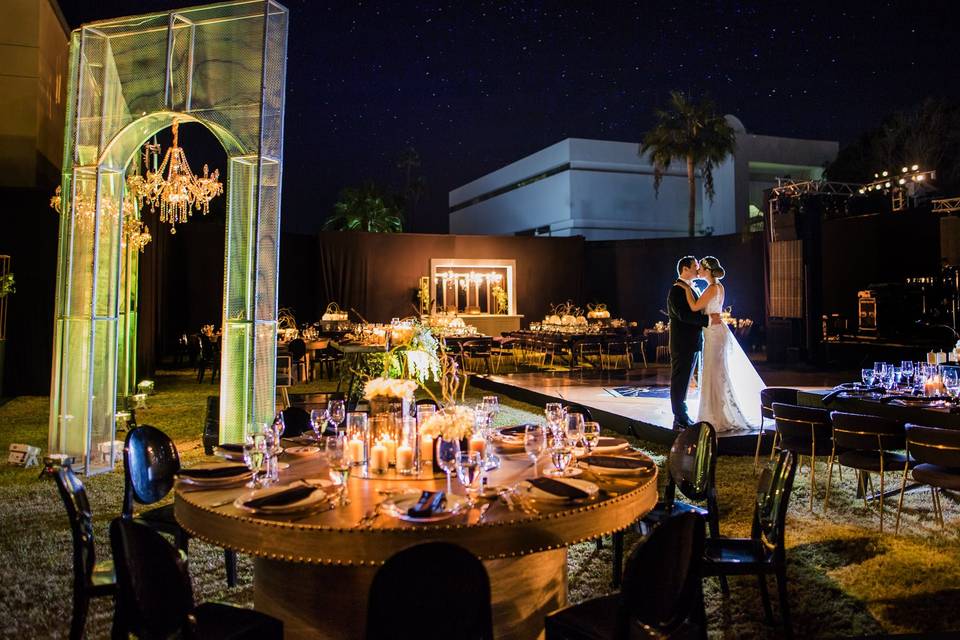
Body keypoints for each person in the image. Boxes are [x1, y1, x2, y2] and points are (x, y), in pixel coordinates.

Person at [681, 256, 765, 431]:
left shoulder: (712, 288)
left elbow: (695, 307)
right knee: (717, 372)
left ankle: (714, 415)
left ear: (708, 271)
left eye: (702, 269)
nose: (699, 271)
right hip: (716, 332)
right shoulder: (719, 287)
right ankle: (717, 412)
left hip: (714, 333)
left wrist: (687, 288)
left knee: (713, 372)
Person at [667, 256, 720, 429]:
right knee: (680, 381)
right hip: (682, 344)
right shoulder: (677, 290)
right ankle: (679, 418)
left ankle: (683, 416)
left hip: (693, 342)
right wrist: (708, 320)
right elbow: (684, 315)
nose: (698, 269)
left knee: (686, 380)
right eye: (695, 266)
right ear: (685, 269)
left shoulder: (690, 287)